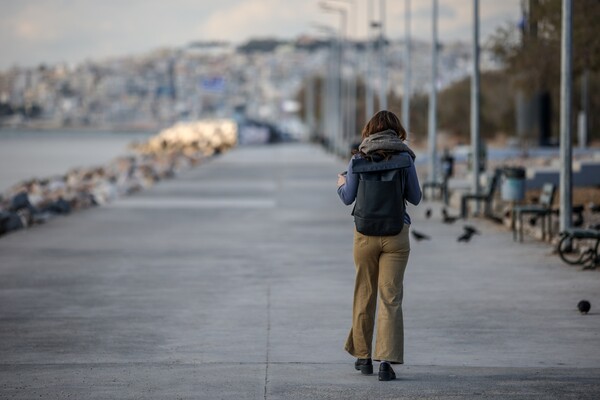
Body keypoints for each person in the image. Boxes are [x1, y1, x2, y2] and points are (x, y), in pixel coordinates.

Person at [337, 110, 421, 381]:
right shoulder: (405, 158)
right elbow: (416, 198)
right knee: (391, 298)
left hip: (364, 235)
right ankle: (386, 362)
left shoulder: (358, 158)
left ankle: (363, 358)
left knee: (364, 293)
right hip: (396, 234)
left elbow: (348, 198)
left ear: (370, 130)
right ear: (397, 131)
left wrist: (342, 184)